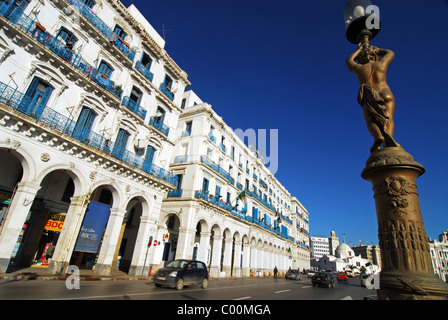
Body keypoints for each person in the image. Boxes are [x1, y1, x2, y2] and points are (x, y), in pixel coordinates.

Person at [346, 44, 400, 153]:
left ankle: (378, 137)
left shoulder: (360, 68)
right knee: (388, 118)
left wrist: (358, 50)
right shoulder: (381, 64)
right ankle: (389, 143)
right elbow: (390, 53)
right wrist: (378, 50)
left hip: (370, 95)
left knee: (370, 120)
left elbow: (349, 61)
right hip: (386, 93)